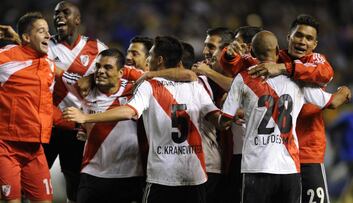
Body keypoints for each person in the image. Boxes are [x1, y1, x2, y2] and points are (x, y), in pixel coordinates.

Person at [63, 36, 225, 203]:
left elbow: (129, 111)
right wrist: (229, 118)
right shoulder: (194, 85)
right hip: (194, 173)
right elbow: (217, 118)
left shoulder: (147, 84)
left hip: (159, 175)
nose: (147, 58)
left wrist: (86, 117)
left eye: (150, 54)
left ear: (159, 59)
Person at [220, 30, 351, 203]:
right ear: (277, 51)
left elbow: (224, 122)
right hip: (289, 167)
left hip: (255, 167)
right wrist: (345, 91)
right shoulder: (297, 80)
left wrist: (235, 116)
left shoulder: (243, 79)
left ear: (253, 53)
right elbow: (333, 102)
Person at [43, 1, 109, 202]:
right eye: (56, 13)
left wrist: (92, 78)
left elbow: (111, 80)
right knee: (34, 178)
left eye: (65, 12)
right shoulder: (45, 46)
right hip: (48, 124)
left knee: (74, 182)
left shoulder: (97, 48)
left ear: (78, 20)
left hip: (78, 127)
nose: (59, 16)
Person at [59, 48, 144, 203]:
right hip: (92, 173)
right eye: (97, 67)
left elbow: (155, 76)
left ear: (121, 72)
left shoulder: (136, 90)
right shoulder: (84, 89)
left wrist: (85, 118)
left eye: (108, 67)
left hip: (128, 175)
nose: (100, 71)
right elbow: (53, 68)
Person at [0, 12, 54, 203]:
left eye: (48, 31)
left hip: (35, 148)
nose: (48, 35)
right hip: (6, 146)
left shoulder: (50, 65)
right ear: (26, 37)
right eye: (42, 31)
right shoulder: (5, 58)